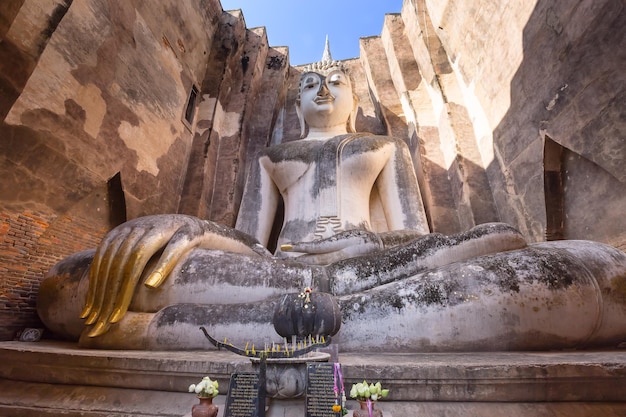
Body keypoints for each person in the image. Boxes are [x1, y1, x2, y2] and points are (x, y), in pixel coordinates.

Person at [37, 51, 626, 352]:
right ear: (296, 102)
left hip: (377, 267)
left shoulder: (380, 146)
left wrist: (370, 244)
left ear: (353, 97)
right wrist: (187, 224)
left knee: (539, 257)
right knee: (74, 283)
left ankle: (172, 331)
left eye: (334, 82)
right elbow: (248, 239)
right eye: (310, 85)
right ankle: (342, 317)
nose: (321, 89)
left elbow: (419, 236)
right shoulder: (273, 157)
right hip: (274, 273)